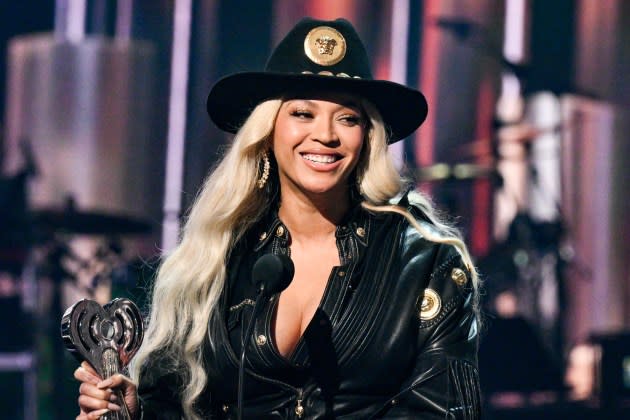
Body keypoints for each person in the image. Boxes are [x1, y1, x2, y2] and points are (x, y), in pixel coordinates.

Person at [74, 17, 481, 419]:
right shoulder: (216, 252)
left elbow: (444, 411)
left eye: (348, 117)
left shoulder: (425, 261)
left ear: (368, 137)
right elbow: (174, 401)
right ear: (268, 130)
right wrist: (136, 411)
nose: (325, 134)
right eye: (303, 113)